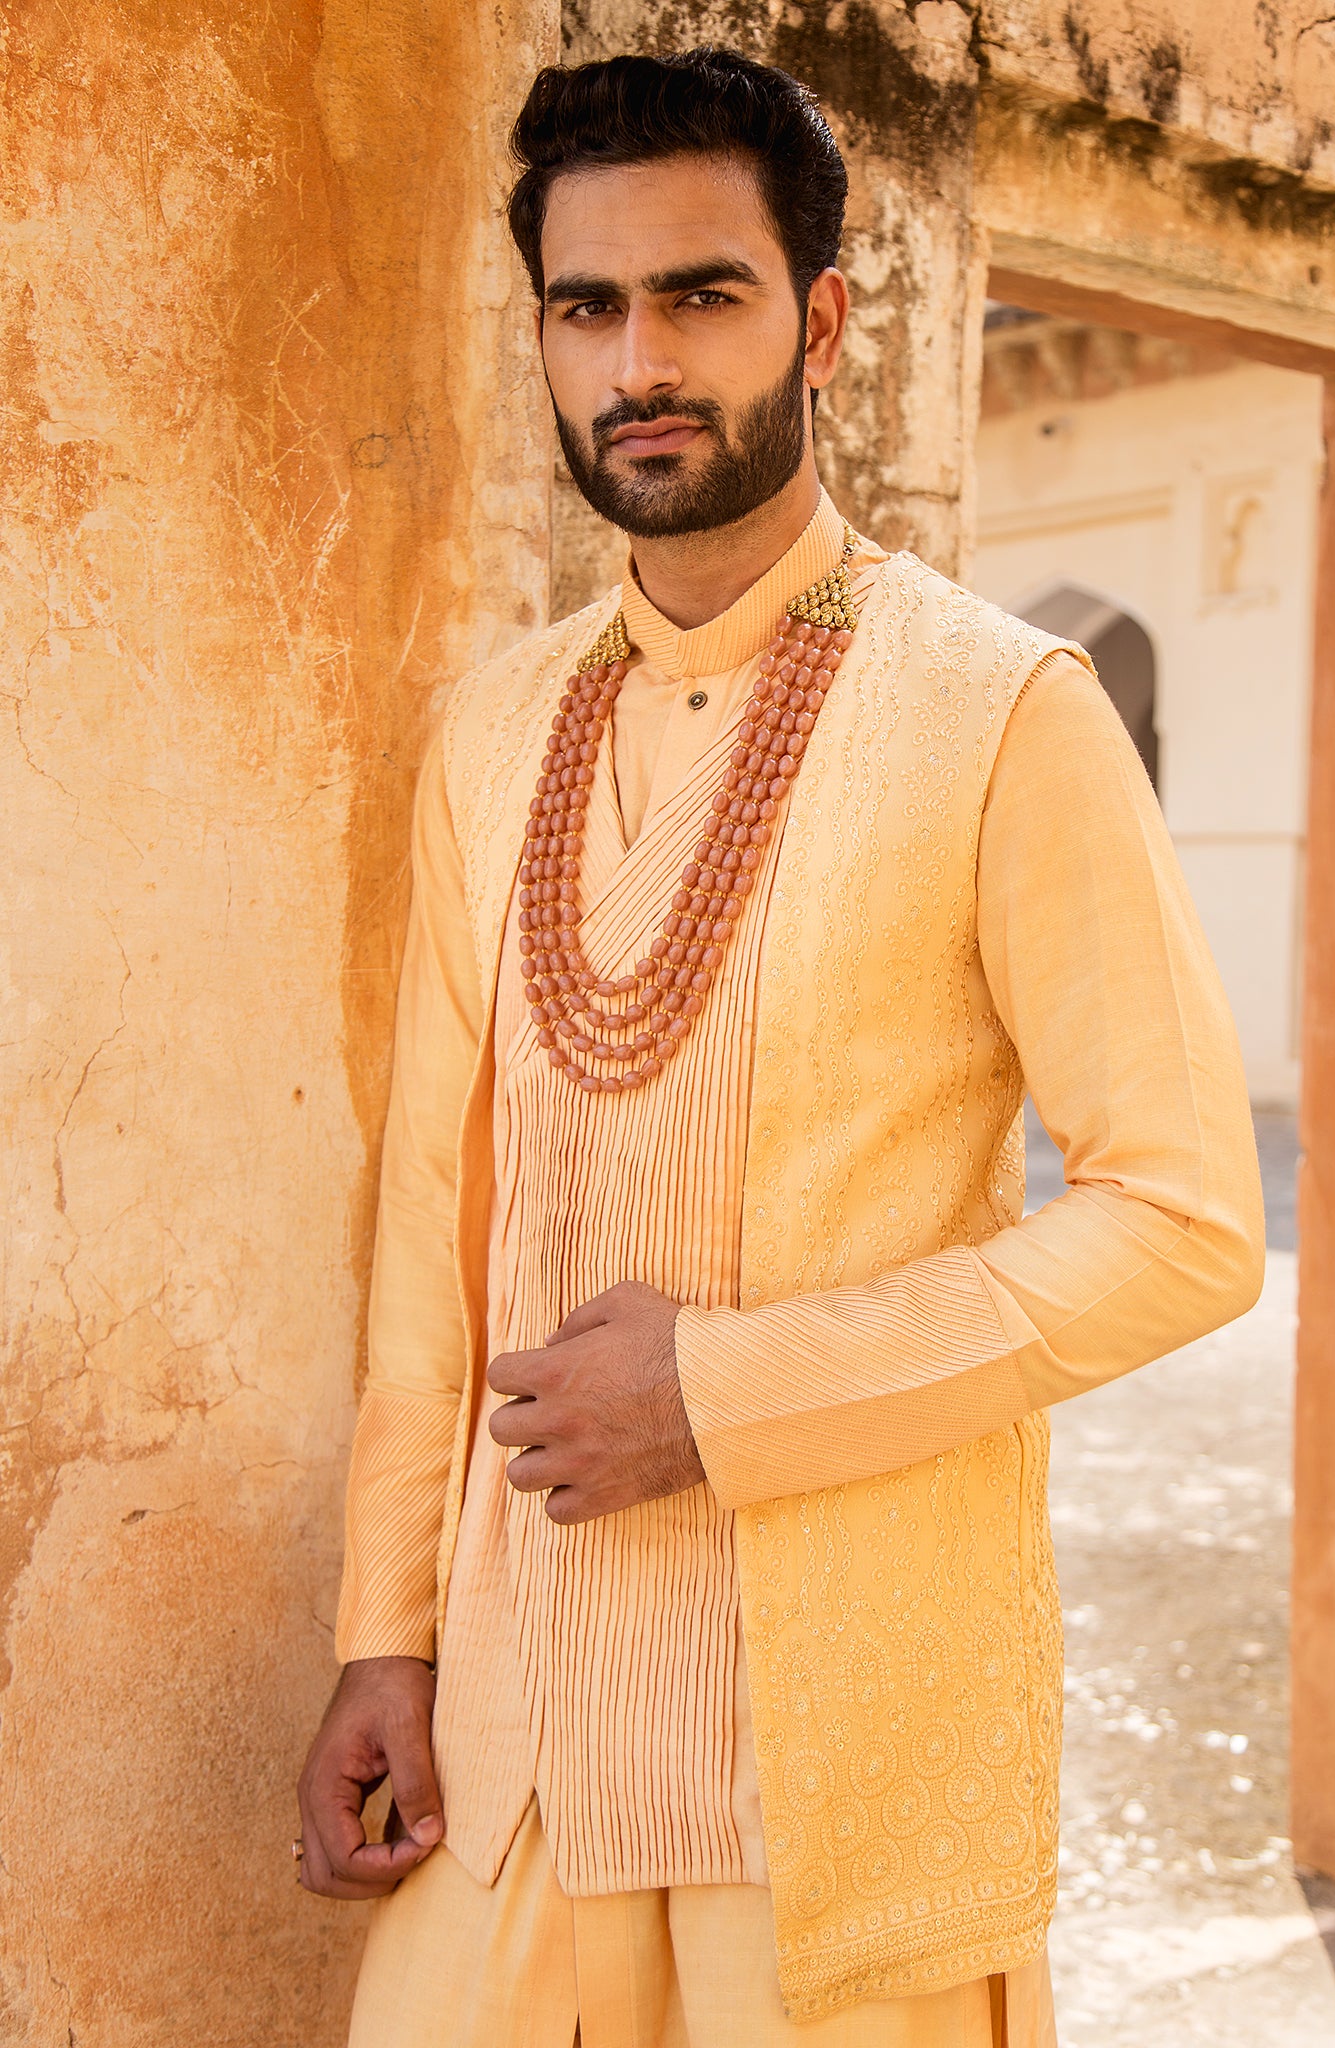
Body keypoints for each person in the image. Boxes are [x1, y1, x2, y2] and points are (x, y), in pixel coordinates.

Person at [295, 47, 1264, 2048]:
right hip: (519, 1744)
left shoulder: (1004, 715)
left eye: (699, 294)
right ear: (546, 341)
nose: (637, 358)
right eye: (587, 307)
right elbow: (432, 1231)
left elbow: (1180, 1224)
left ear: (816, 319)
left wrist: (724, 1392)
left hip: (824, 1784)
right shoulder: (489, 735)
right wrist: (381, 1633)